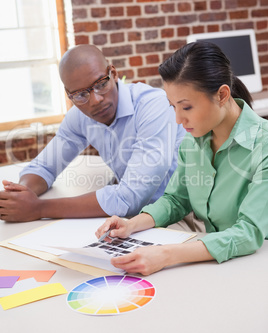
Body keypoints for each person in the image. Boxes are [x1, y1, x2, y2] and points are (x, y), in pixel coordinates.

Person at [96, 41, 268, 276]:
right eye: (173, 106)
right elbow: (176, 200)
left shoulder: (263, 145)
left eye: (186, 107)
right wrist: (131, 224)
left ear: (222, 94)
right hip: (215, 264)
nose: (178, 120)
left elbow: (248, 233)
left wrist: (166, 255)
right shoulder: (193, 142)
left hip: (256, 266)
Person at [0, 44, 185, 222]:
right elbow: (45, 167)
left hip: (178, 215)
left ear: (113, 74)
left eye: (101, 84)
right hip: (131, 220)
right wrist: (19, 195)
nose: (95, 100)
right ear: (69, 95)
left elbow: (130, 197)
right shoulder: (79, 117)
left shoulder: (154, 105)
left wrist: (38, 208)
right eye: (80, 95)